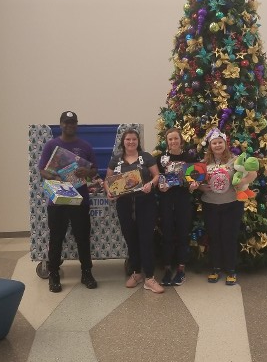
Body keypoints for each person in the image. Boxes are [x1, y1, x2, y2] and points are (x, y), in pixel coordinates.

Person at [39, 111, 98, 293]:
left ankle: (86, 272)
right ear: (61, 124)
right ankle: (54, 274)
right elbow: (42, 170)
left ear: (76, 124)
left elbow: (94, 170)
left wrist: (86, 172)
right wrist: (55, 175)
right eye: (66, 122)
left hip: (80, 200)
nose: (69, 125)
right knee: (56, 238)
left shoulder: (85, 146)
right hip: (57, 200)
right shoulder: (51, 145)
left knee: (82, 237)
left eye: (73, 122)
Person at [192, 128, 258, 286]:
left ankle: (230, 270)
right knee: (214, 238)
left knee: (229, 237)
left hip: (232, 205)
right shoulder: (203, 163)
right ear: (210, 145)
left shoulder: (235, 160)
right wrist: (200, 187)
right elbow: (195, 181)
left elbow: (253, 173)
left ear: (225, 143)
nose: (217, 145)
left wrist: (243, 181)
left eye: (220, 142)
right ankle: (215, 269)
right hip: (210, 205)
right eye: (214, 143)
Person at [104, 128, 164, 294]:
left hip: (145, 204)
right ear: (123, 142)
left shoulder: (146, 157)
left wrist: (150, 184)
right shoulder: (116, 160)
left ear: (138, 142)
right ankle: (136, 273)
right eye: (128, 139)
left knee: (146, 240)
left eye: (134, 140)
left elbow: (157, 176)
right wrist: (109, 191)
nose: (131, 142)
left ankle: (150, 278)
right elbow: (107, 180)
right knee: (131, 239)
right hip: (124, 205)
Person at [157, 128, 197, 286]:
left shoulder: (189, 156)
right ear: (167, 142)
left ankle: (181, 269)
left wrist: (194, 184)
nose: (173, 141)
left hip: (183, 198)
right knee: (166, 232)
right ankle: (167, 268)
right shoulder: (162, 158)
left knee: (182, 233)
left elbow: (195, 176)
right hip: (166, 198)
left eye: (175, 138)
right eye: (170, 139)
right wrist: (161, 186)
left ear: (181, 140)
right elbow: (158, 177)